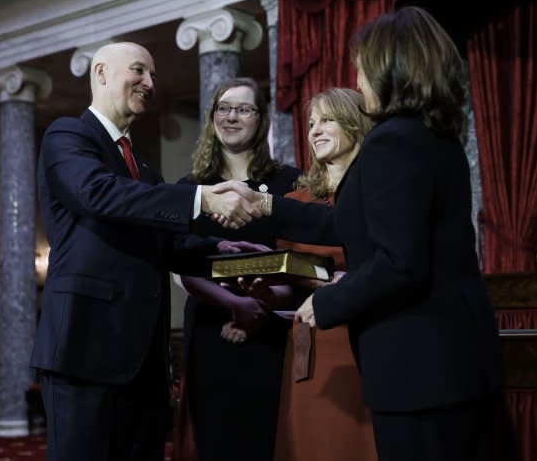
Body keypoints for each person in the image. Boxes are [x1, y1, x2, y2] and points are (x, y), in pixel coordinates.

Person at [232, 7, 503, 461]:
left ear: (388, 70)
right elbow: (348, 223)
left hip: (419, 365)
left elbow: (401, 264)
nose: (357, 82)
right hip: (455, 358)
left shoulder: (392, 141)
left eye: (360, 69)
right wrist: (266, 205)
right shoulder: (435, 135)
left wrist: (327, 302)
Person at [31, 42, 264, 461]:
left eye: (153, 75)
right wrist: (201, 199)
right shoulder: (67, 136)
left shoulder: (144, 168)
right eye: (139, 71)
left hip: (144, 364)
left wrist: (227, 250)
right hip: (84, 353)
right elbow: (97, 194)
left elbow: (170, 247)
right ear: (100, 72)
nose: (150, 83)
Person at [175, 77, 300, 461]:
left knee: (267, 440)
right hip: (211, 330)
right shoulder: (189, 188)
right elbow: (178, 266)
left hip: (271, 329)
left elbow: (299, 261)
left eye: (244, 109)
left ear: (260, 120)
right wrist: (232, 306)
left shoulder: (288, 182)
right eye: (223, 108)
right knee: (217, 440)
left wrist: (256, 311)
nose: (232, 117)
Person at [269, 87, 378, 461]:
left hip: (365, 335)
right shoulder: (297, 204)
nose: (315, 130)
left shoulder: (378, 194)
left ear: (356, 123)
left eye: (327, 120)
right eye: (311, 123)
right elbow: (284, 282)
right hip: (311, 340)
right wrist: (256, 291)